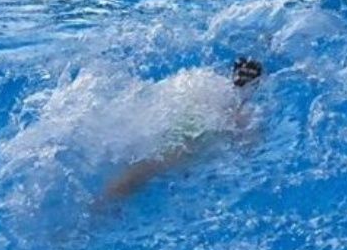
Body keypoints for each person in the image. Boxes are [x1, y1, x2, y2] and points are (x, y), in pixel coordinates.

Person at [100, 57, 263, 201]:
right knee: (141, 174)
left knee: (139, 170)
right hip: (189, 138)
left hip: (172, 123)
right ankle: (100, 209)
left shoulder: (207, 82)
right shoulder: (243, 111)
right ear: (256, 85)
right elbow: (247, 147)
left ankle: (102, 203)